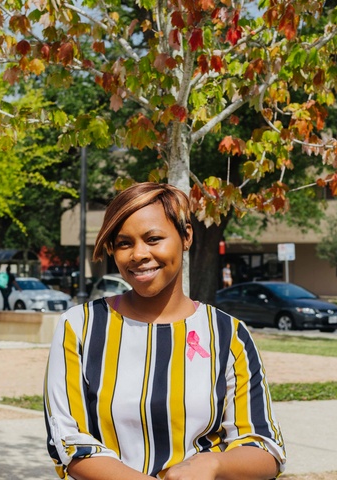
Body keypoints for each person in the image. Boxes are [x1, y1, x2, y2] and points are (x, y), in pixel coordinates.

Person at [44, 182, 285, 480]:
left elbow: (264, 447)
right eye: (124, 243)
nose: (139, 254)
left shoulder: (228, 334)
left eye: (153, 238)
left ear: (186, 236)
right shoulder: (80, 327)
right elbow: (69, 442)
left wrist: (212, 465)